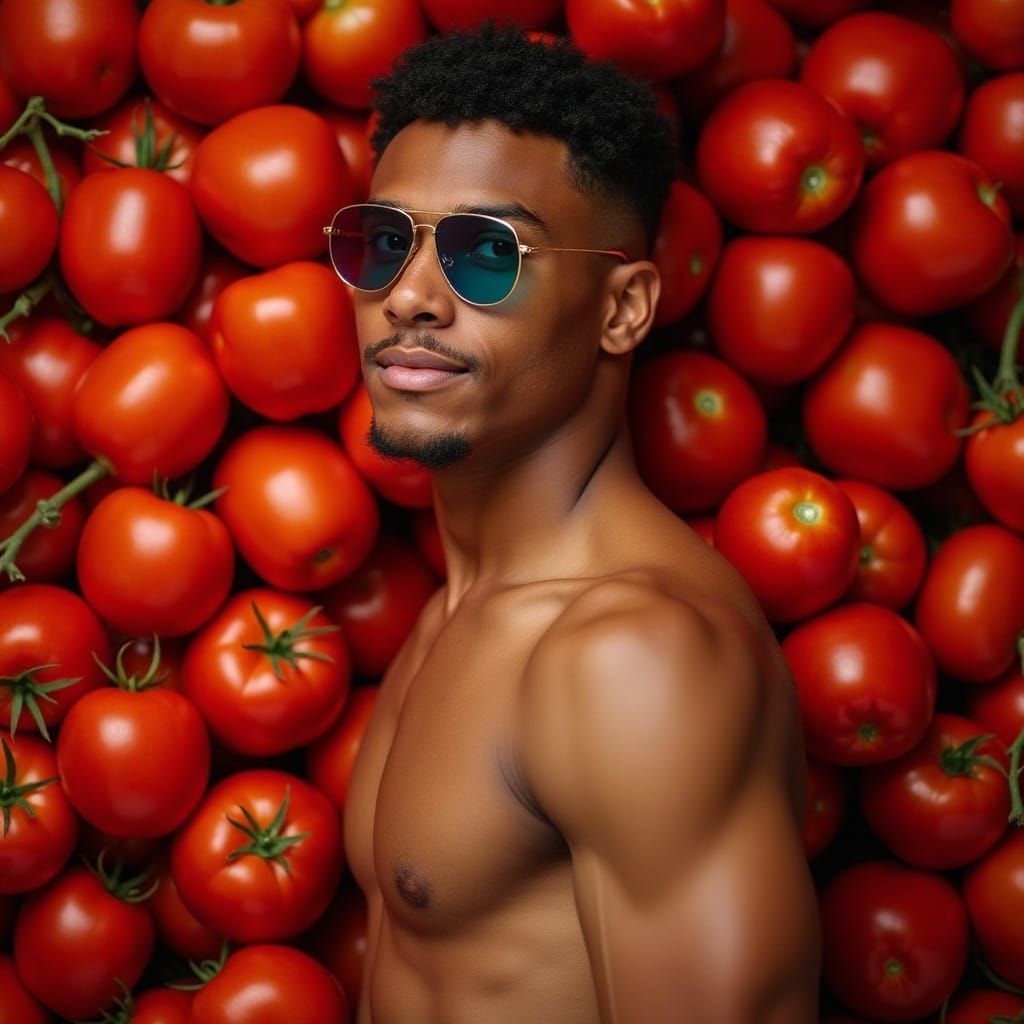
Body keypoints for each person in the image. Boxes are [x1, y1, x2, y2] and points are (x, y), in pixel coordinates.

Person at [334, 25, 820, 1024]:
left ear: (623, 309)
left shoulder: (631, 660)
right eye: (383, 241)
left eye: (485, 253)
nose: (410, 297)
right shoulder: (468, 610)